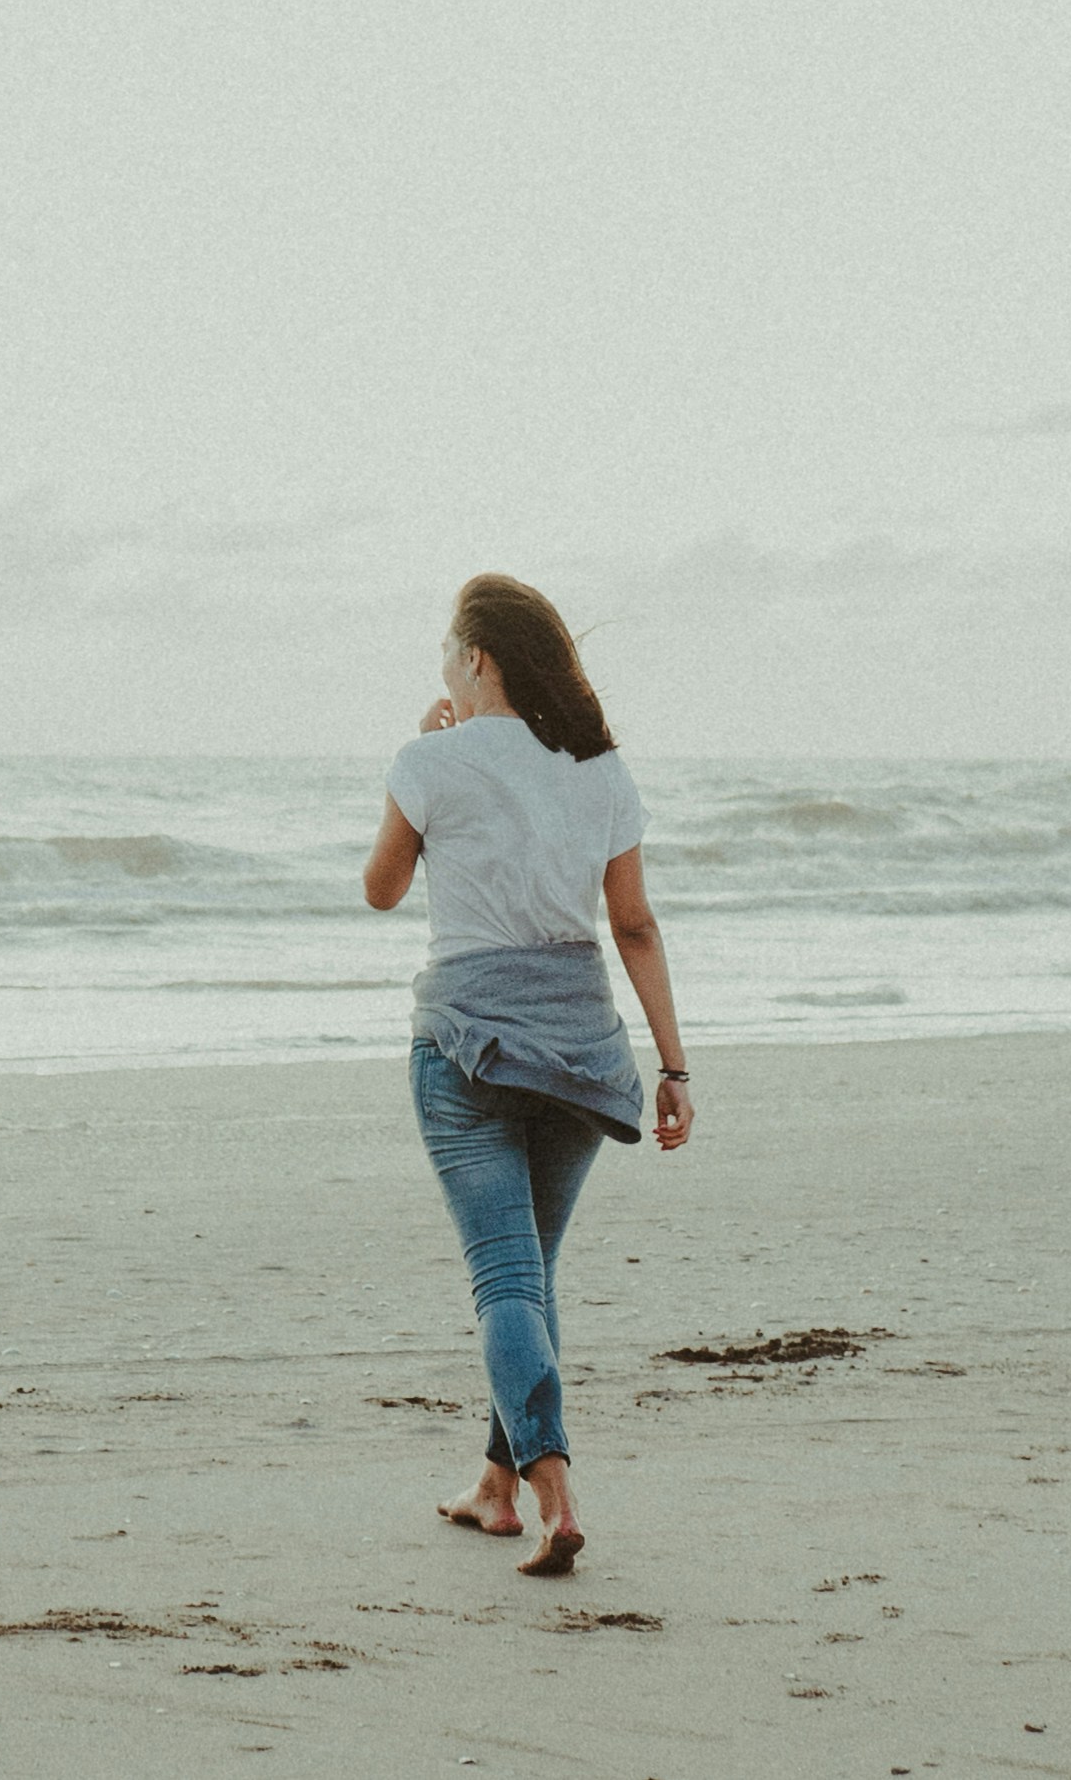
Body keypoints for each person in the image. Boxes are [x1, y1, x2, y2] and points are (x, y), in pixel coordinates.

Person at [361, 573, 692, 1580]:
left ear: (478, 660)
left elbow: (380, 890)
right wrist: (673, 1065)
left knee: (505, 1278)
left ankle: (554, 1490)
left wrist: (425, 753)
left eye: (448, 658)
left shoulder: (428, 758)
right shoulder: (600, 770)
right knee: (529, 1279)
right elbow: (632, 924)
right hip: (583, 1052)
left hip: (466, 1045)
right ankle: (494, 1491)